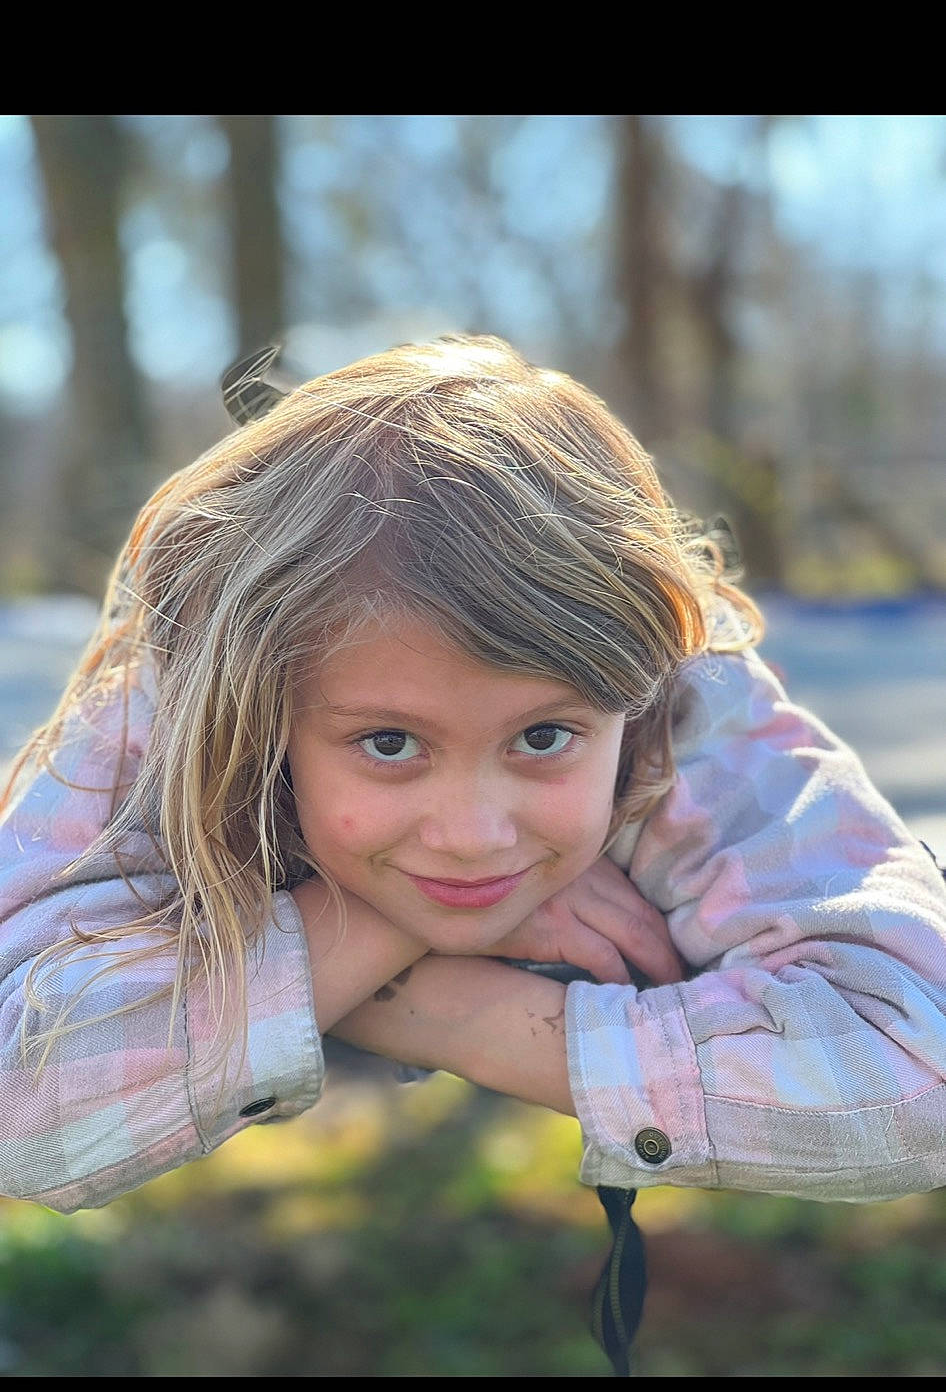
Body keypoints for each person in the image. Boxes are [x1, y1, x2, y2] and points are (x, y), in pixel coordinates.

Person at [2, 332, 946, 1222]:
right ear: (263, 709)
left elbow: (917, 1077)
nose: (472, 835)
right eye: (388, 744)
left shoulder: (684, 687)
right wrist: (358, 926)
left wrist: (456, 1014)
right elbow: (19, 1109)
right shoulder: (189, 693)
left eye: (543, 738)